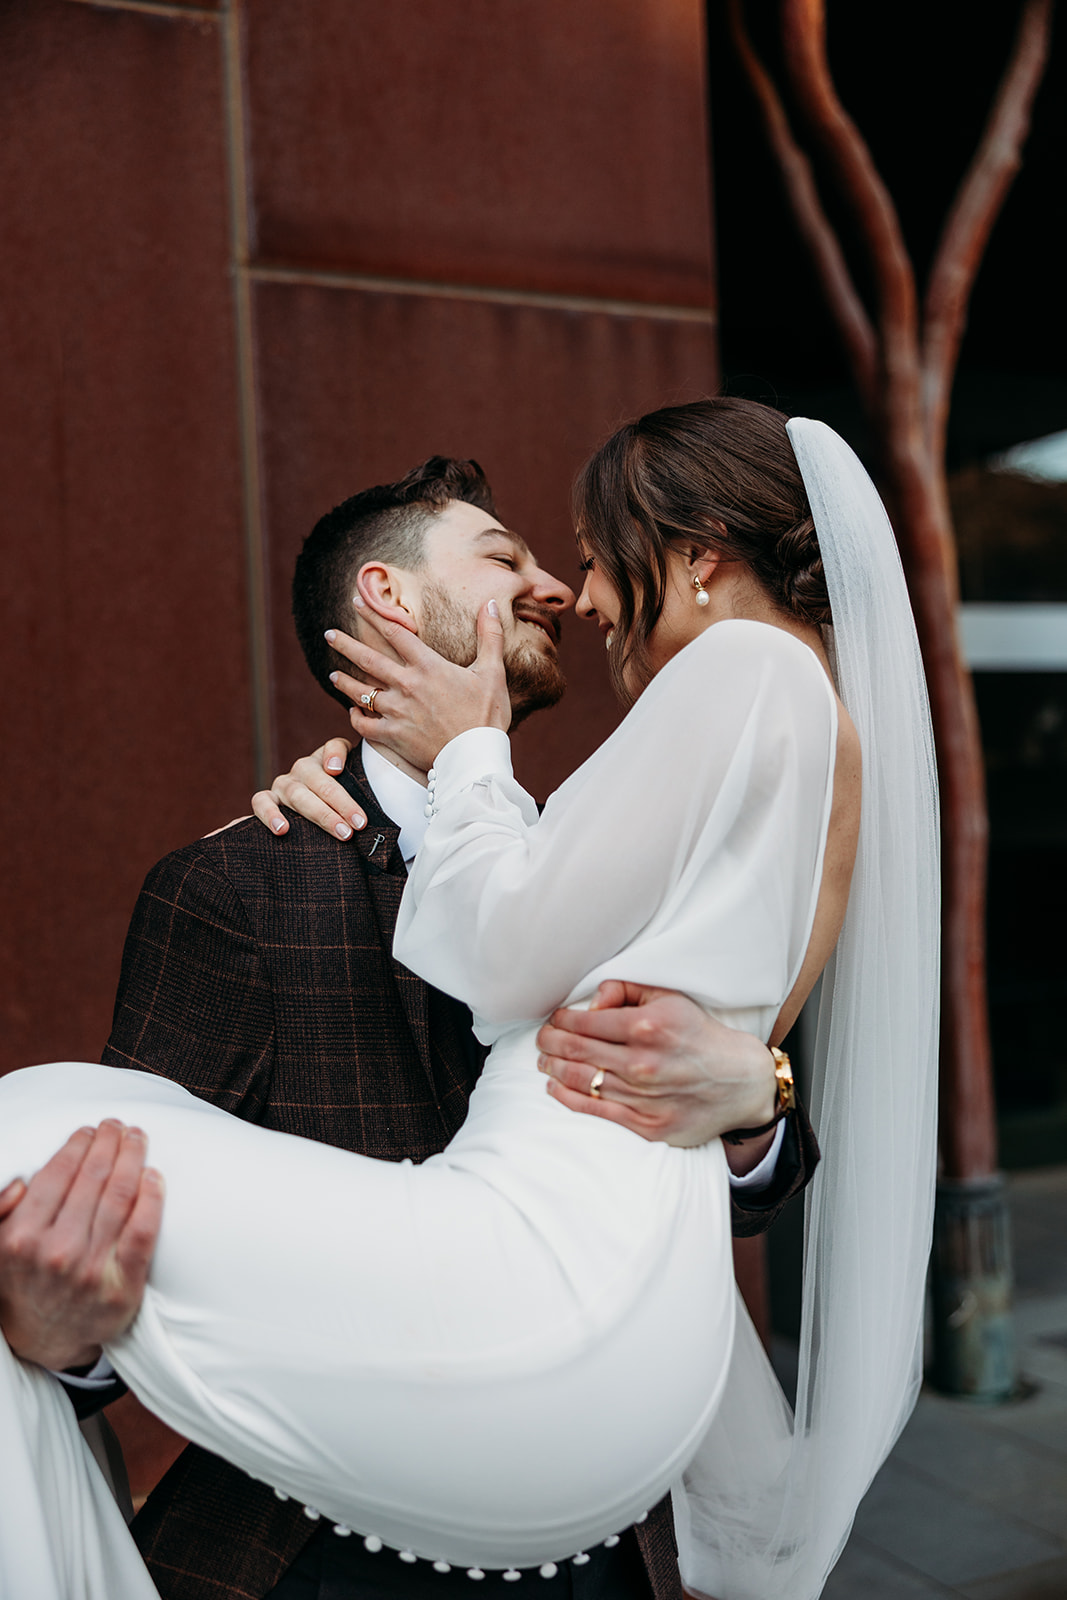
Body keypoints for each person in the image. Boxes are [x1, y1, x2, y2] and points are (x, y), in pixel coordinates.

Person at [0, 401, 938, 1600]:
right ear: (390, 599)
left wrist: (754, 1093)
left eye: (578, 559)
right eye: (509, 559)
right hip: (328, 1558)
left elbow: (737, 1151)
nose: (564, 591)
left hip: (596, 1524)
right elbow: (106, 1241)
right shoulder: (238, 881)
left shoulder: (591, 833)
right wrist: (51, 1333)